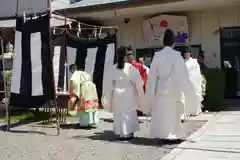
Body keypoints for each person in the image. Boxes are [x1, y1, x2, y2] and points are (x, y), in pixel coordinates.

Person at [144, 29, 190, 143]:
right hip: (173, 86)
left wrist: (151, 91)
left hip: (161, 86)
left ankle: (163, 134)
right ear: (173, 42)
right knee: (173, 112)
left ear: (163, 41)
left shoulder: (157, 55)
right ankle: (173, 134)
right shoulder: (176, 55)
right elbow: (181, 73)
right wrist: (184, 89)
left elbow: (152, 75)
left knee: (162, 111)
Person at [102, 46, 144, 140]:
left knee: (119, 113)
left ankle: (120, 132)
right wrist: (139, 93)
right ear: (125, 56)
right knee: (128, 112)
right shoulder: (129, 67)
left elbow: (108, 84)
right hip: (128, 92)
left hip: (117, 93)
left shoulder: (113, 68)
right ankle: (128, 132)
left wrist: (109, 96)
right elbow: (138, 81)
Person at [184, 48, 202, 116]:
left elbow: (197, 72)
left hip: (193, 82)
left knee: (193, 96)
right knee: (186, 97)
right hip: (185, 82)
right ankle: (187, 111)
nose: (186, 54)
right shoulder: (183, 61)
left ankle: (195, 111)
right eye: (185, 53)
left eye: (188, 53)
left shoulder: (194, 62)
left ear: (190, 54)